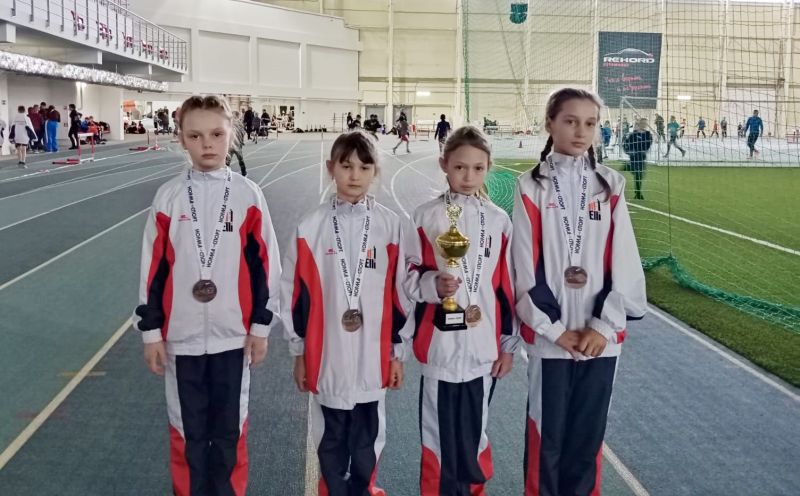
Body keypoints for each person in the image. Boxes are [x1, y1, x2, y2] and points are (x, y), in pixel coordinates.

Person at [133, 95, 281, 496]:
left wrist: (261, 327)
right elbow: (152, 271)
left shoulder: (248, 196)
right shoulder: (168, 197)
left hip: (233, 338)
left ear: (231, 134)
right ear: (181, 138)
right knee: (187, 433)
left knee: (231, 431)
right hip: (180, 340)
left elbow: (266, 266)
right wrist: (151, 333)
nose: (207, 144)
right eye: (195, 135)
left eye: (216, 134)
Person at [511, 87, 647, 496]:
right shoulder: (530, 186)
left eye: (590, 123)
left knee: (588, 440)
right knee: (547, 438)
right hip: (551, 340)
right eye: (570, 121)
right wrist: (554, 330)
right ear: (550, 124)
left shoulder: (610, 185)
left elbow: (624, 259)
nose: (581, 131)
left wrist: (603, 326)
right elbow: (524, 263)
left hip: (600, 340)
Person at [281, 130, 411, 496]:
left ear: (375, 172)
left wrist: (397, 353)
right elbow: (293, 295)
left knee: (368, 438)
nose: (355, 175)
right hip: (327, 356)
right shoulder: (311, 227)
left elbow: (401, 296)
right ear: (330, 168)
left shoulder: (390, 227)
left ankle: (364, 490)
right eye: (346, 166)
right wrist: (299, 352)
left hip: (374, 357)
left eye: (364, 167)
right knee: (331, 438)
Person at [405, 126, 518, 494]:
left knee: (474, 437)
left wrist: (507, 345)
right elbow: (406, 276)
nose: (468, 176)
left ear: (488, 169)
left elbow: (506, 289)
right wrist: (431, 285)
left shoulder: (499, 221)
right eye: (460, 167)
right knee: (438, 440)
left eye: (478, 168)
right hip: (439, 349)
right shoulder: (425, 217)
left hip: (483, 351)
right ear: (444, 165)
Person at [623, 118, 653, 200]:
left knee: (639, 175)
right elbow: (626, 144)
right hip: (633, 157)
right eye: (642, 123)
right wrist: (628, 151)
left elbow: (648, 145)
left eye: (645, 123)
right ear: (639, 124)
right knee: (638, 174)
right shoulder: (633, 134)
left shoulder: (648, 134)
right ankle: (638, 193)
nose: (644, 125)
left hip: (642, 157)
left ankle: (628, 167)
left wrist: (644, 150)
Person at [226, 111, 247, 176]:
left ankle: (226, 173)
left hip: (229, 143)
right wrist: (242, 141)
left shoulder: (228, 122)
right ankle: (244, 172)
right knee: (240, 159)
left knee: (228, 160)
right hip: (237, 144)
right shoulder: (239, 123)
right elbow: (243, 133)